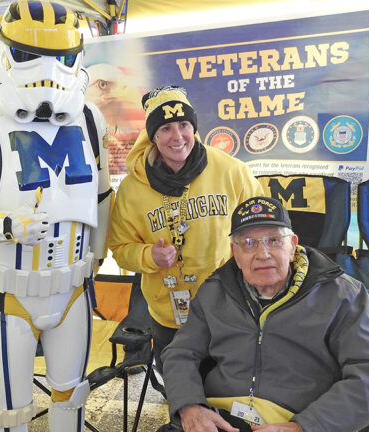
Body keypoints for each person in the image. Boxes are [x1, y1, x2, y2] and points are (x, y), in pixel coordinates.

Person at [0, 1, 111, 431]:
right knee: (9, 413)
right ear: (1, 50)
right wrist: (7, 226)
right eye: (29, 55)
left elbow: (101, 196)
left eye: (63, 58)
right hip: (7, 295)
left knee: (72, 398)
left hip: (73, 290)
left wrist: (97, 257)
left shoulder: (89, 117)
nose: (48, 70)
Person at [161, 196, 369, 432]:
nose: (263, 253)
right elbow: (181, 352)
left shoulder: (342, 295)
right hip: (219, 417)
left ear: (293, 244)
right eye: (248, 243)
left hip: (301, 418)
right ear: (234, 251)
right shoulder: (214, 290)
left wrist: (304, 426)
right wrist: (190, 406)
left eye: (274, 240)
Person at [107, 85, 263, 373]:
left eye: (184, 125)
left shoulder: (232, 171)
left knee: (228, 385)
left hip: (227, 307)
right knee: (180, 388)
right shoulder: (131, 190)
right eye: (166, 128)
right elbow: (119, 249)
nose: (177, 137)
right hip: (169, 313)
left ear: (194, 128)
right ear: (152, 136)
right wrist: (148, 257)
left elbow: (260, 227)